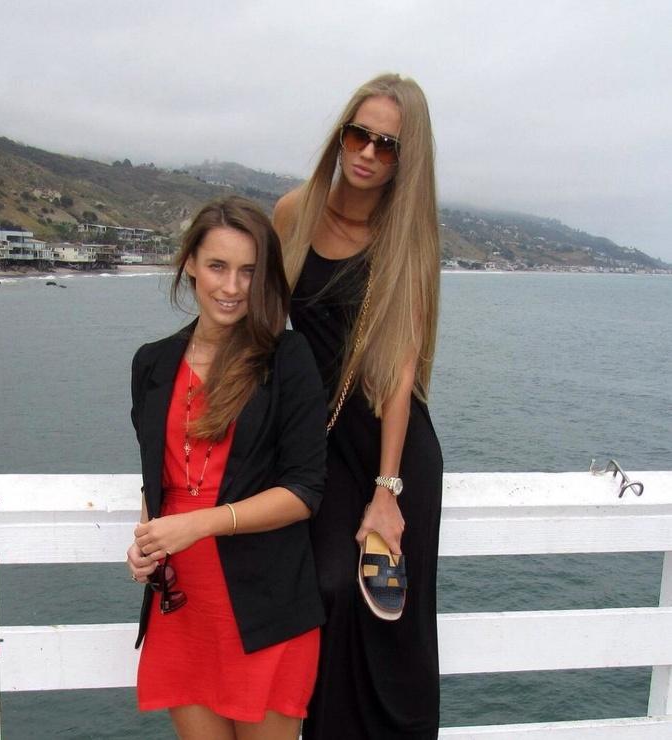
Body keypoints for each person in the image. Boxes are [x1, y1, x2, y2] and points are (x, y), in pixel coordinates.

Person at [273, 73, 443, 739]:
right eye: (358, 135)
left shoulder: (408, 239)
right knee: (327, 588)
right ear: (340, 135)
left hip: (389, 445)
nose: (368, 152)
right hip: (316, 440)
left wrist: (387, 490)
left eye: (387, 144)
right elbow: (261, 330)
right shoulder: (294, 212)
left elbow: (401, 372)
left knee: (389, 619)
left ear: (406, 158)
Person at [126, 196, 328, 740]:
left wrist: (199, 524)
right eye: (218, 266)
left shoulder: (287, 358)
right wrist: (145, 541)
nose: (232, 287)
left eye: (248, 271)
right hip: (181, 604)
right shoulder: (151, 363)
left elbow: (304, 491)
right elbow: (158, 476)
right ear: (191, 262)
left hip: (267, 606)